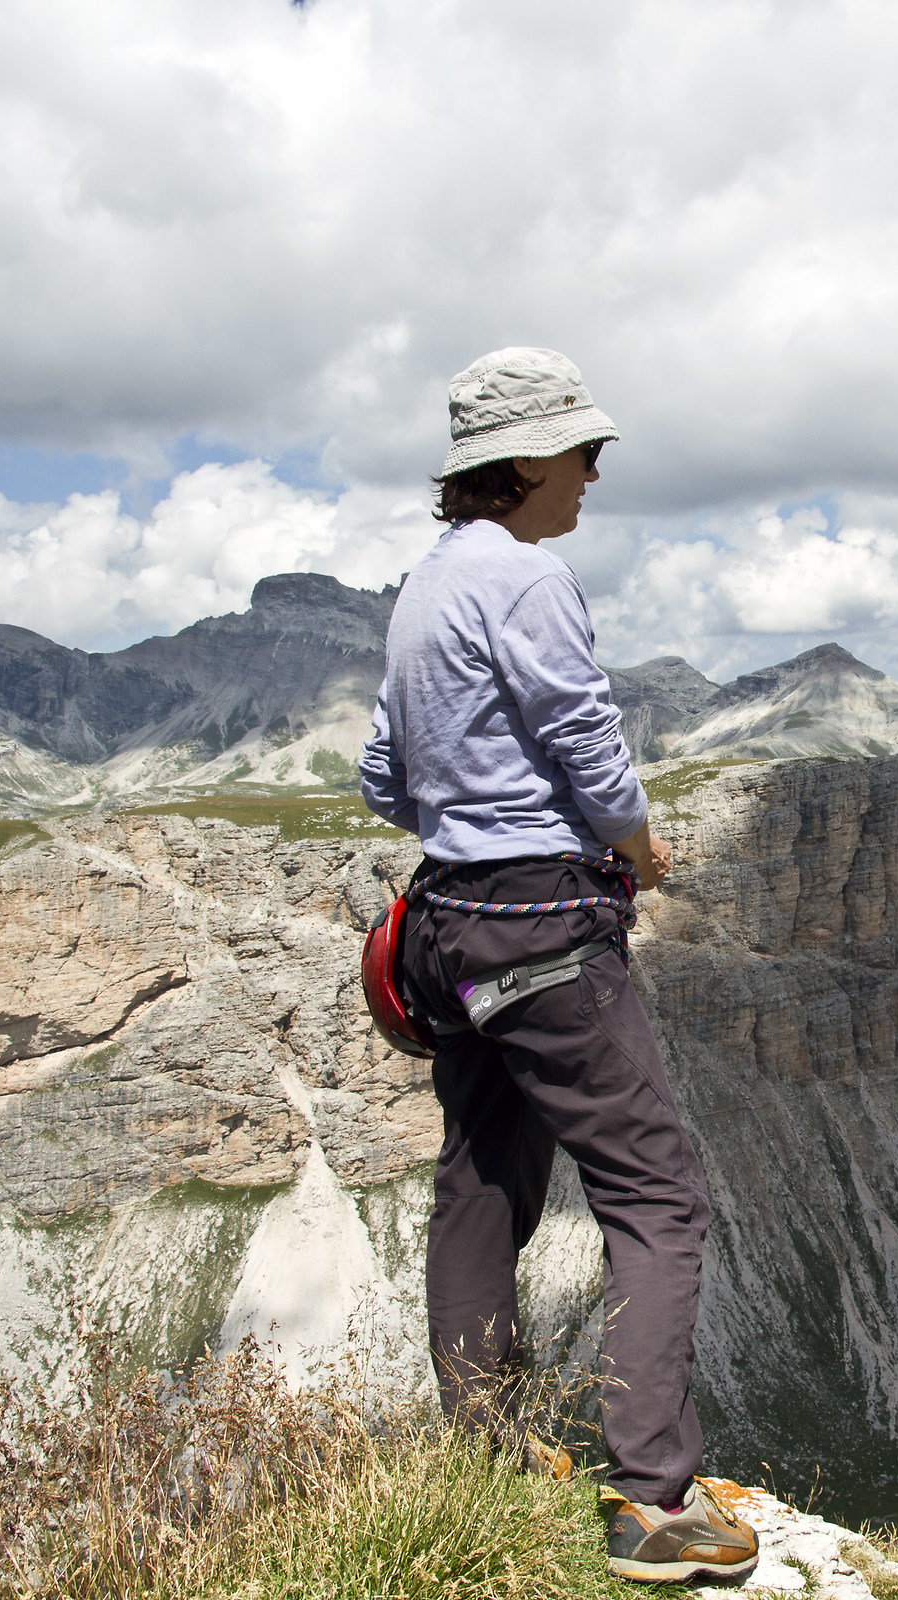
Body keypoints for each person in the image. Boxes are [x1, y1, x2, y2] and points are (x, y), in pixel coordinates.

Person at [357, 347, 759, 1586]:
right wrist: (637, 843)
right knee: (657, 1193)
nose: (593, 471)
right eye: (582, 452)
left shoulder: (424, 588)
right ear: (523, 463)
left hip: (448, 924)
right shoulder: (527, 579)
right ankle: (653, 1501)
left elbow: (384, 772)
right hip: (545, 919)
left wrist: (466, 803)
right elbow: (581, 725)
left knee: (482, 1180)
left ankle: (476, 1454)